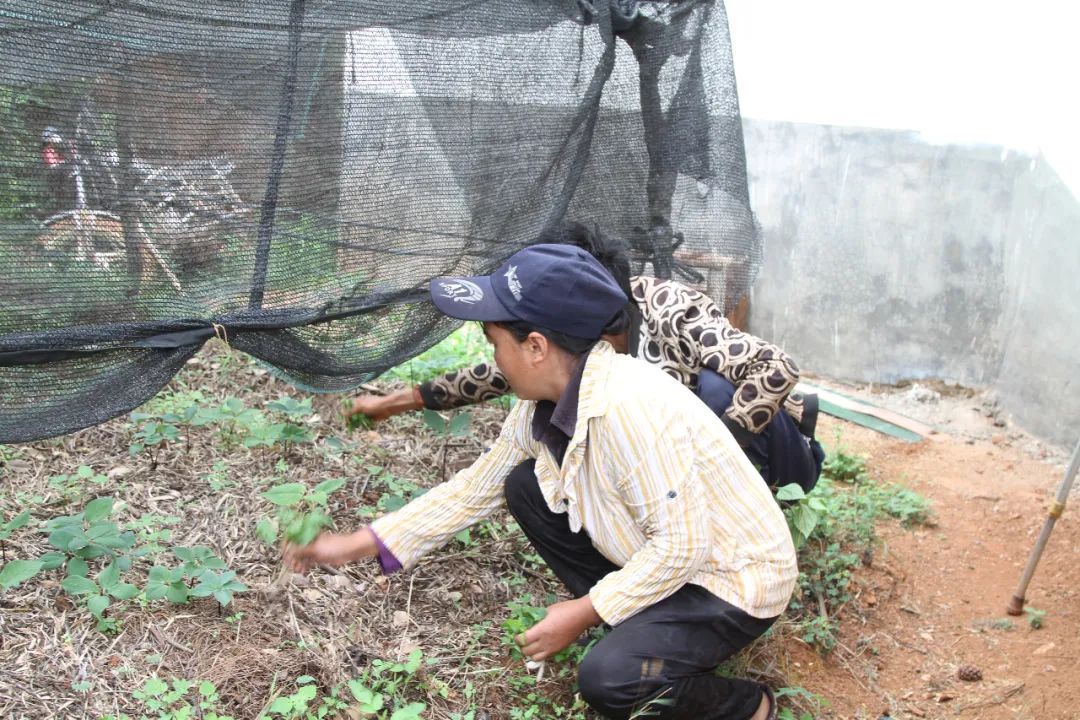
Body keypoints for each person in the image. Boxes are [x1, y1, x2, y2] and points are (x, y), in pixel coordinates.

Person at [286, 244, 796, 720]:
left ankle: (748, 705)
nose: (495, 361)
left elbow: (683, 547)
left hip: (730, 577)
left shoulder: (629, 408)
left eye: (494, 344)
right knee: (525, 487)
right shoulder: (541, 405)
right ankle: (642, 624)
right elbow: (472, 489)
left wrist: (581, 612)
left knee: (609, 681)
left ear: (535, 346)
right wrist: (359, 544)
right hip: (674, 555)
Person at [347, 222, 823, 493]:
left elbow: (775, 368)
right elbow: (497, 373)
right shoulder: (570, 342)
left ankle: (758, 501)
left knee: (715, 391)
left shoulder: (669, 308)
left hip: (769, 457)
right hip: (670, 475)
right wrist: (392, 403)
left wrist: (716, 450)